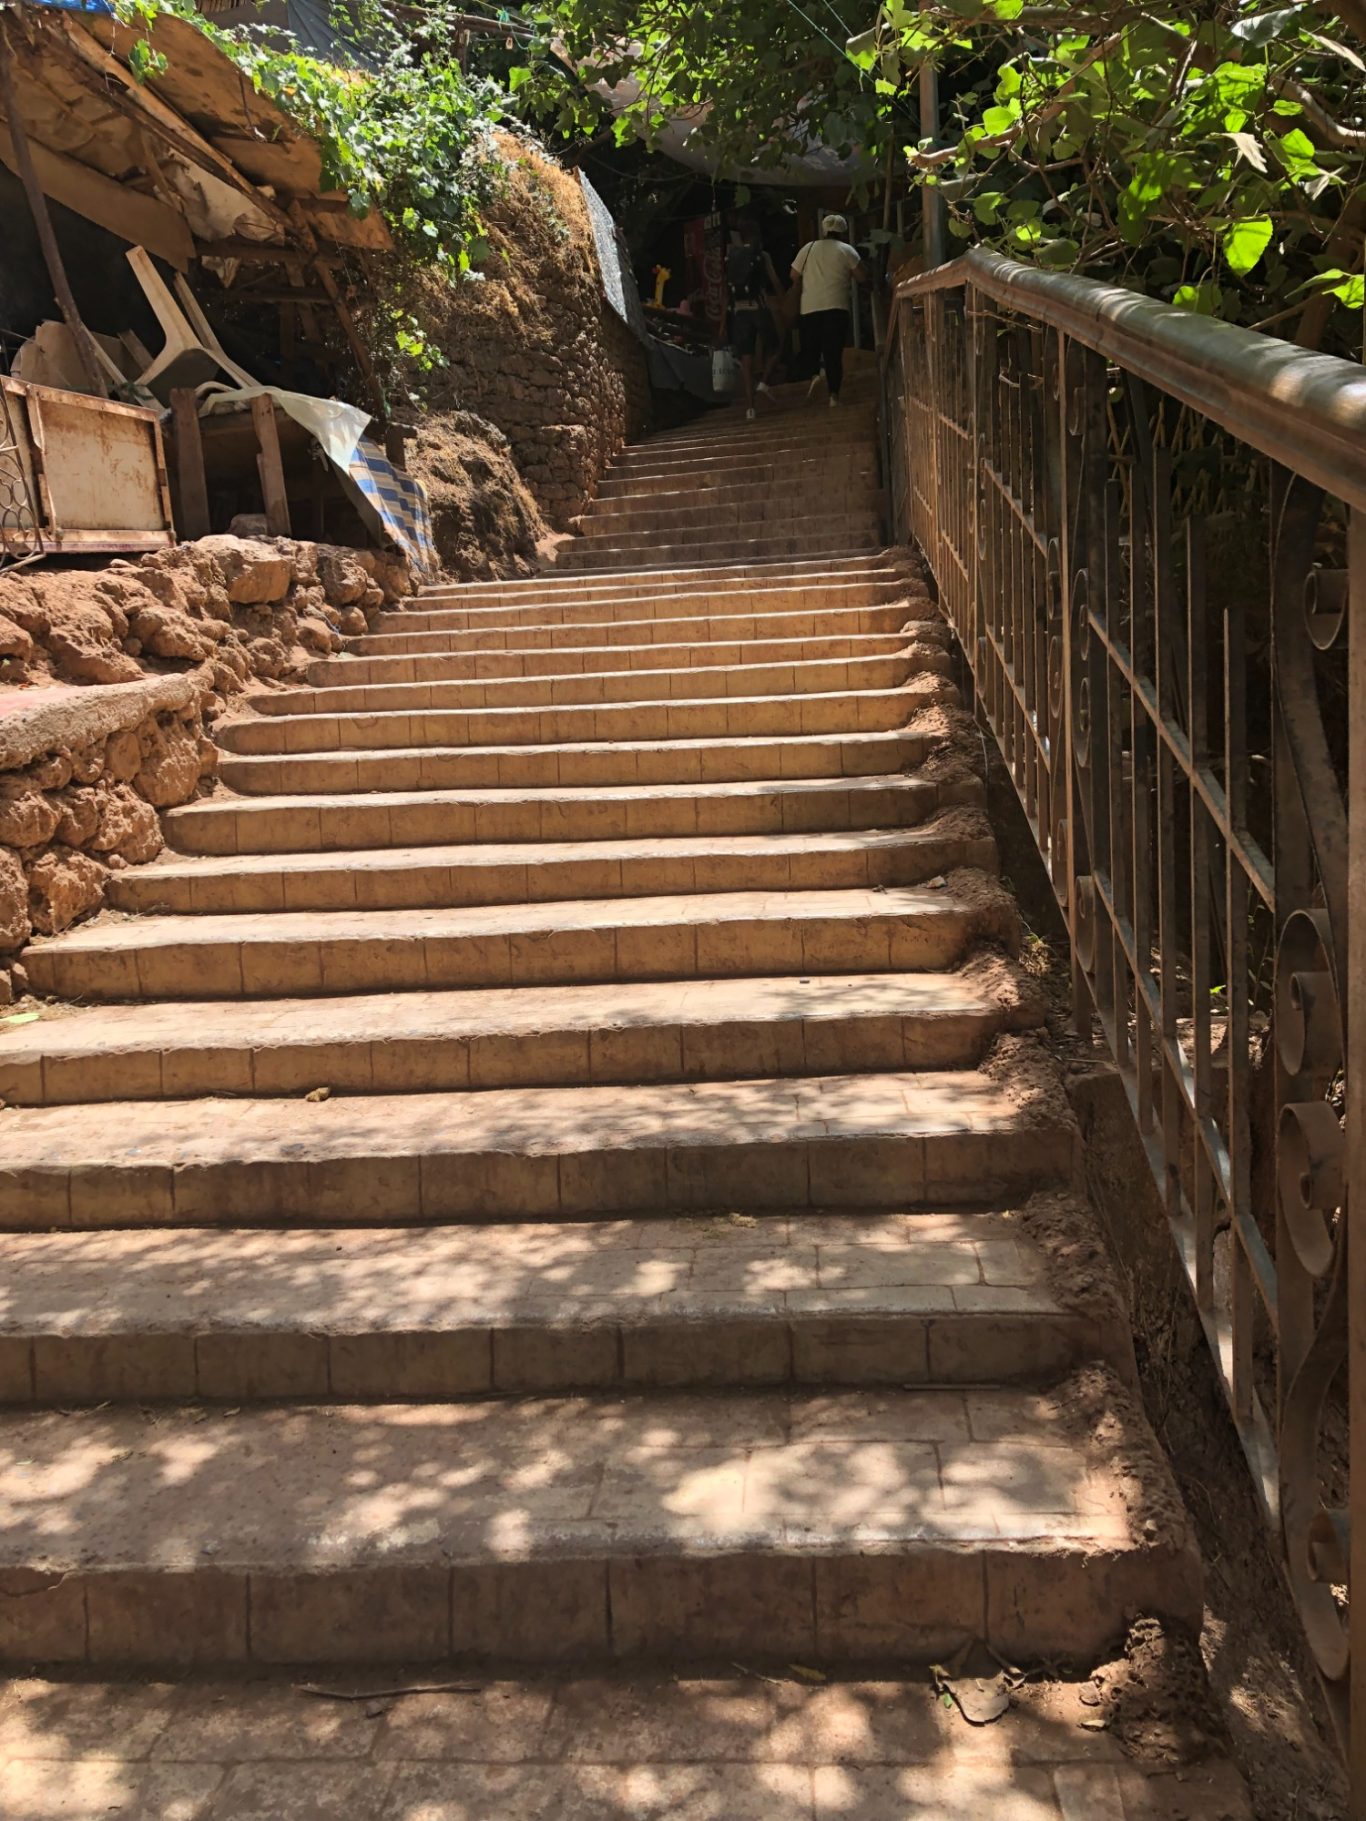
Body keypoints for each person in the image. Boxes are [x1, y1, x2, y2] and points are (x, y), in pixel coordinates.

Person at [790, 213, 865, 407]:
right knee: (833, 353)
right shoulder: (846, 250)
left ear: (823, 230)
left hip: (810, 308)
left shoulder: (808, 248)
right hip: (836, 306)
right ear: (843, 232)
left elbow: (793, 275)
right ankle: (833, 395)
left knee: (811, 348)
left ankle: (815, 375)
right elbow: (862, 277)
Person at [722, 220, 781, 420]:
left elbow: (725, 292)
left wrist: (723, 324)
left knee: (746, 360)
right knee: (775, 347)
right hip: (758, 308)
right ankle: (764, 382)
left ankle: (750, 408)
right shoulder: (761, 256)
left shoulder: (732, 256)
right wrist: (783, 299)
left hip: (738, 312)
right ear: (757, 236)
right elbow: (773, 280)